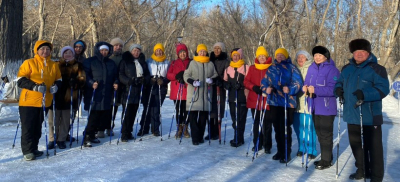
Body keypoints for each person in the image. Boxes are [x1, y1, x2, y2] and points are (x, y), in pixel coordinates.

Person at [335, 39, 389, 181]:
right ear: (353, 53)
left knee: (374, 149)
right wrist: (338, 90)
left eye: (362, 52)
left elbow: (383, 89)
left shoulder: (377, 69)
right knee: (357, 147)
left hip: (370, 116)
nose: (359, 54)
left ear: (368, 53)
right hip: (351, 114)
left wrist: (365, 94)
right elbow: (339, 82)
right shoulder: (347, 69)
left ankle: (376, 177)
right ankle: (362, 170)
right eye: (356, 52)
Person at [17, 40, 62, 160]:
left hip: (44, 101)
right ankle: (27, 151)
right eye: (42, 49)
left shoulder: (53, 65)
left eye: (47, 49)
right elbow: (20, 80)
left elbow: (59, 79)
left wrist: (56, 86)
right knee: (28, 127)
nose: (45, 51)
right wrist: (34, 86)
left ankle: (34, 148)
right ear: (36, 50)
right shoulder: (29, 62)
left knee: (38, 126)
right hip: (28, 102)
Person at [260, 47, 303, 163]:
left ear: (286, 56)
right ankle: (279, 151)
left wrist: (289, 89)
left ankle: (286, 153)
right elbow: (264, 82)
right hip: (274, 101)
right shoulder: (271, 68)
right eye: (278, 55)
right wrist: (266, 89)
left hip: (287, 102)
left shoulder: (292, 68)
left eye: (282, 55)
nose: (279, 57)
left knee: (285, 127)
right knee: (276, 127)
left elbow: (298, 83)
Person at [303, 46, 340, 170]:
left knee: (326, 134)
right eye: (315, 55)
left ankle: (326, 160)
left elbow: (333, 89)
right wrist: (305, 88)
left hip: (326, 107)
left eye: (320, 55)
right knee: (319, 134)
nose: (317, 57)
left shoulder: (332, 70)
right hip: (313, 105)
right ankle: (326, 157)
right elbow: (307, 82)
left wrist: (316, 90)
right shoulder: (311, 68)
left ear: (326, 56)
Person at [48, 46, 86, 149]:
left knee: (65, 120)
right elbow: (49, 76)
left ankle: (61, 139)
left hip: (69, 96)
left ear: (73, 54)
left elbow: (82, 79)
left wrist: (76, 83)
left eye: (70, 53)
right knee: (53, 120)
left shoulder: (78, 65)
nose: (67, 54)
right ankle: (52, 139)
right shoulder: (55, 64)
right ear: (62, 54)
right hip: (55, 95)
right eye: (66, 53)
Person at [83, 42, 118, 147]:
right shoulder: (90, 61)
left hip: (106, 93)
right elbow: (85, 75)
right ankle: (87, 136)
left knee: (100, 116)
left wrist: (116, 83)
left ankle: (93, 135)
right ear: (98, 50)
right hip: (94, 92)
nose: (104, 52)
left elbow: (115, 76)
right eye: (102, 50)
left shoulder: (111, 63)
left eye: (106, 50)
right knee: (92, 116)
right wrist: (91, 83)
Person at [184, 44, 218, 145]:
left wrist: (211, 80)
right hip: (194, 94)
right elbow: (186, 75)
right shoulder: (192, 63)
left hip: (205, 96)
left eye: (204, 51)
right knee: (193, 118)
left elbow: (215, 74)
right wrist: (192, 81)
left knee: (203, 118)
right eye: (200, 51)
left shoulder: (210, 63)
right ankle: (195, 138)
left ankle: (200, 137)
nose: (202, 53)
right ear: (197, 52)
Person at [243, 46, 272, 153]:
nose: (262, 58)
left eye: (263, 56)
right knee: (256, 123)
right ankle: (257, 143)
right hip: (255, 99)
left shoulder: (271, 67)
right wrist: (254, 87)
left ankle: (267, 145)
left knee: (267, 124)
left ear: (266, 56)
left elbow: (274, 81)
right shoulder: (252, 68)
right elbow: (246, 82)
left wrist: (269, 89)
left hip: (267, 100)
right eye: (260, 56)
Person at [118, 44, 149, 142]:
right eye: (134, 50)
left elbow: (147, 74)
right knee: (127, 113)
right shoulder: (125, 61)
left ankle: (129, 131)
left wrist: (144, 79)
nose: (136, 52)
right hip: (128, 90)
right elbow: (121, 74)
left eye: (138, 51)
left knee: (133, 113)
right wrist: (128, 81)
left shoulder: (142, 62)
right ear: (131, 51)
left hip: (138, 91)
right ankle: (124, 133)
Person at [137, 43, 170, 137]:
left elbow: (169, 76)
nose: (158, 52)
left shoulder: (167, 62)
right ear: (154, 51)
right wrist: (149, 79)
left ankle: (155, 129)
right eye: (157, 50)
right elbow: (145, 73)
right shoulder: (149, 61)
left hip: (161, 86)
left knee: (156, 108)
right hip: (150, 86)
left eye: (160, 50)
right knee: (147, 107)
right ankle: (144, 128)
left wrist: (164, 81)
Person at [292, 50, 318, 159]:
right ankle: (302, 148)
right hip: (296, 103)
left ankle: (312, 149)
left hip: (308, 102)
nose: (300, 59)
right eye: (299, 57)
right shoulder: (294, 69)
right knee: (299, 128)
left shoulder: (312, 68)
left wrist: (309, 89)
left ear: (307, 58)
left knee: (309, 127)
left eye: (303, 57)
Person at [223, 48, 249, 147]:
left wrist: (242, 85)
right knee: (234, 118)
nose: (235, 57)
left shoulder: (246, 67)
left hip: (242, 96)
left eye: (237, 55)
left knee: (241, 118)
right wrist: (226, 85)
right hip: (232, 97)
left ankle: (239, 138)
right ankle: (237, 137)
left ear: (240, 56)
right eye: (234, 55)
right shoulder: (228, 68)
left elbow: (249, 81)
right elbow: (225, 80)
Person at [205, 42, 230, 141]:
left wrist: (222, 81)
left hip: (220, 87)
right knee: (210, 109)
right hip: (210, 86)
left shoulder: (225, 61)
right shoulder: (209, 59)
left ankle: (217, 130)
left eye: (219, 48)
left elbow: (227, 74)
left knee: (218, 109)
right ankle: (211, 131)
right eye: (215, 48)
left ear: (222, 49)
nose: (216, 50)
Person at [101, 37, 125, 137]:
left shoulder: (124, 57)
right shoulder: (108, 57)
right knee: (105, 108)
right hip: (106, 85)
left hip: (119, 85)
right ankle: (102, 127)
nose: (118, 47)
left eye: (120, 46)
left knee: (114, 107)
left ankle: (110, 126)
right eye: (116, 45)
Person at [166, 43, 191, 138]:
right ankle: (179, 128)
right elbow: (169, 75)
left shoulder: (191, 62)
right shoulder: (173, 63)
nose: (182, 54)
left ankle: (186, 128)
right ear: (178, 54)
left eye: (184, 52)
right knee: (179, 111)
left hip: (187, 90)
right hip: (177, 91)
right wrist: (176, 76)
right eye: (180, 53)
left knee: (186, 111)